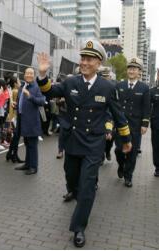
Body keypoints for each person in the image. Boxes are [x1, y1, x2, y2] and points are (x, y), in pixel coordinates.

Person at [37, 40, 132, 247]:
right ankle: (78, 197)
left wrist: (126, 140)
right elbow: (49, 92)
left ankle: (79, 227)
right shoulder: (71, 82)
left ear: (98, 63)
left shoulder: (108, 87)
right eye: (82, 58)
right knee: (72, 179)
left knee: (87, 186)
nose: (84, 62)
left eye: (89, 59)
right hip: (73, 141)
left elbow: (119, 116)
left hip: (93, 144)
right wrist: (43, 75)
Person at [114, 57, 150, 187]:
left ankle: (128, 176)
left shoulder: (144, 88)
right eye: (130, 68)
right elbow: (115, 106)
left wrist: (145, 124)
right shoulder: (119, 85)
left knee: (132, 152)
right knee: (118, 149)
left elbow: (146, 108)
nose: (131, 71)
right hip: (121, 125)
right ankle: (121, 165)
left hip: (135, 125)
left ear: (139, 72)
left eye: (134, 69)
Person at [14, 67, 46, 175]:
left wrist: (30, 96)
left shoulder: (36, 87)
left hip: (32, 122)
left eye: (31, 73)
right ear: (24, 75)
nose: (29, 75)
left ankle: (33, 167)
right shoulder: (22, 86)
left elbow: (42, 101)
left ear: (34, 75)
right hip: (22, 121)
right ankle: (27, 164)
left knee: (33, 145)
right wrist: (16, 105)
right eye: (27, 73)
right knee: (27, 144)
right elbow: (20, 101)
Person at [150, 77, 159, 176]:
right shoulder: (152, 91)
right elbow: (147, 107)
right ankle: (158, 167)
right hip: (156, 124)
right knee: (156, 146)